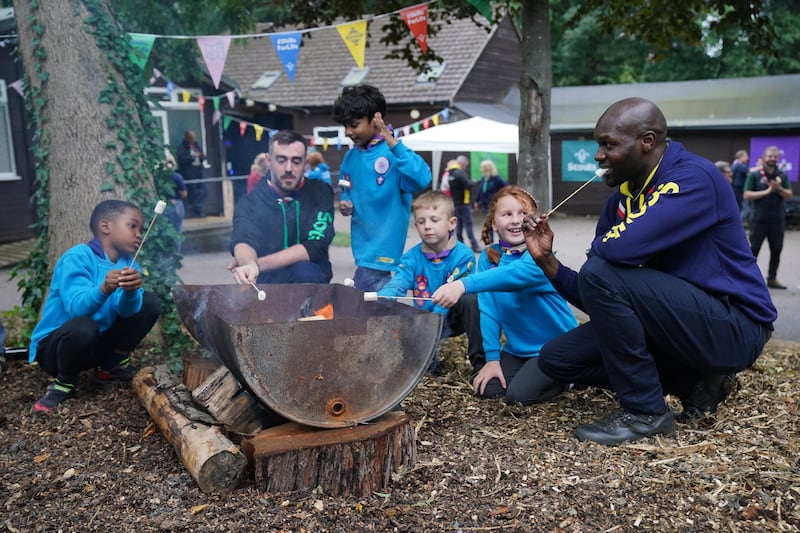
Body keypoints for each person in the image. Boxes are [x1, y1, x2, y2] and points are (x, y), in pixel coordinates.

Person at [521, 97, 776, 446]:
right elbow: (600, 293)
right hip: (678, 324)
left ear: (647, 141)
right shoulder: (620, 202)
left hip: (734, 328)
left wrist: (606, 254)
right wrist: (548, 262)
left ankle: (644, 412)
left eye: (608, 144)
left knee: (601, 270)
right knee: (559, 358)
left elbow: (611, 257)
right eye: (598, 145)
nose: (598, 155)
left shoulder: (693, 178)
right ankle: (695, 385)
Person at [431, 186, 577, 404]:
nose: (516, 220)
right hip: (519, 350)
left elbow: (513, 274)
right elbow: (489, 310)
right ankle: (533, 374)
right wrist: (492, 358)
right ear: (493, 222)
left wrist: (463, 284)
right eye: (507, 214)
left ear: (534, 221)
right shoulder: (489, 258)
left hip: (554, 348)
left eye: (523, 214)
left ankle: (570, 377)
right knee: (486, 389)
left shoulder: (542, 258)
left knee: (518, 395)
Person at [29, 200, 162, 414]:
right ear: (105, 226)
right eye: (132, 226)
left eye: (141, 229)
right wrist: (104, 289)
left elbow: (127, 313)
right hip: (56, 349)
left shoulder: (130, 263)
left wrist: (129, 293)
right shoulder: (77, 257)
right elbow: (77, 310)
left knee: (149, 302)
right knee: (84, 325)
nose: (139, 234)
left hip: (93, 343)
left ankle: (111, 365)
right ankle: (64, 382)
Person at [333, 84, 432, 292]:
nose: (349, 132)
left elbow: (422, 178)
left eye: (354, 124)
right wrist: (346, 201)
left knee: (370, 310)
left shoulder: (394, 154)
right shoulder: (351, 157)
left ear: (375, 120)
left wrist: (390, 139)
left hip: (384, 255)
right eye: (346, 126)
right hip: (361, 252)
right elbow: (345, 184)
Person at [378, 191, 483, 374]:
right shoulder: (411, 257)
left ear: (452, 223)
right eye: (421, 221)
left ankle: (480, 362)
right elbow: (400, 280)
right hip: (423, 317)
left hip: (453, 316)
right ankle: (426, 365)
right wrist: (387, 295)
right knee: (419, 368)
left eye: (434, 220)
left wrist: (430, 327)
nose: (427, 227)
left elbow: (449, 295)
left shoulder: (464, 255)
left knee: (471, 301)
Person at [229, 129, 335, 285]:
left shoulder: (321, 193)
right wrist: (248, 265)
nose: (288, 168)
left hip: (311, 286)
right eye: (281, 160)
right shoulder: (250, 201)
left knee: (304, 271)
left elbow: (315, 245)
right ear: (268, 161)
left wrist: (258, 265)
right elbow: (243, 239)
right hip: (267, 287)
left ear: (306, 164)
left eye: (296, 161)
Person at [743, 145, 793, 289]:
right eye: (770, 156)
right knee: (754, 250)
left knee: (776, 249)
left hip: (777, 220)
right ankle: (747, 279)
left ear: (778, 158)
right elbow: (747, 195)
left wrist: (779, 189)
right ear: (764, 157)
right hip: (758, 219)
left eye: (775, 156)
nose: (772, 159)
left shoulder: (782, 176)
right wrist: (768, 191)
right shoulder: (755, 175)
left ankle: (772, 278)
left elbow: (789, 194)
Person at [449, 155, 482, 253]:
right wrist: (473, 181)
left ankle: (460, 244)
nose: (466, 168)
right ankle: (474, 245)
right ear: (462, 163)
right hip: (464, 202)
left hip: (456, 202)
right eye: (466, 165)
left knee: (459, 224)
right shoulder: (460, 172)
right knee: (468, 224)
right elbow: (468, 184)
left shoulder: (451, 173)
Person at [176, 130, 207, 217]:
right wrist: (192, 157)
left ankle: (198, 208)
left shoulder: (196, 145)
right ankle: (197, 211)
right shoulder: (182, 147)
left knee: (205, 190)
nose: (193, 139)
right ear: (187, 137)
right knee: (193, 192)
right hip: (189, 173)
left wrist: (201, 156)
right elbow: (181, 159)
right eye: (191, 138)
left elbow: (202, 155)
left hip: (199, 172)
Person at [163, 152, 187, 250]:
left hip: (162, 205)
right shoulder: (177, 177)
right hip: (176, 204)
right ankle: (176, 254)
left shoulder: (159, 177)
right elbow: (184, 194)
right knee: (177, 231)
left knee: (164, 232)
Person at [730, 149, 749, 214]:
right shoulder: (739, 165)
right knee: (745, 208)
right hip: (739, 189)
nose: (747, 158)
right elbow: (749, 171)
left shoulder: (734, 164)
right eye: (746, 156)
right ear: (741, 156)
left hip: (735, 188)